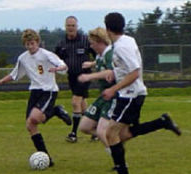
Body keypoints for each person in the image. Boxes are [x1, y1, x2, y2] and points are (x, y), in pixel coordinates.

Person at [99, 12, 181, 174]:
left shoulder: (121, 46)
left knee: (110, 133)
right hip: (132, 93)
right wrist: (114, 74)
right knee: (124, 134)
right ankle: (162, 122)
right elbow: (128, 68)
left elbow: (135, 72)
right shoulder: (128, 40)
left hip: (130, 95)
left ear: (108, 29)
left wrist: (113, 88)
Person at [78, 27, 181, 157]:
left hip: (118, 95)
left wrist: (89, 77)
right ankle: (161, 122)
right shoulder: (102, 55)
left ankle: (116, 159)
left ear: (100, 41)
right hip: (107, 95)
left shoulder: (113, 52)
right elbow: (104, 63)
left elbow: (117, 72)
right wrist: (92, 64)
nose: (91, 46)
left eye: (92, 43)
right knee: (87, 127)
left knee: (109, 133)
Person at [0, 29, 72, 166]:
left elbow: (63, 65)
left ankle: (56, 110)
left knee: (34, 117)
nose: (30, 46)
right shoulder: (23, 58)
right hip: (35, 92)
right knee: (30, 125)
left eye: (32, 43)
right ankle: (46, 158)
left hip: (48, 91)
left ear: (37, 42)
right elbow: (15, 74)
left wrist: (57, 69)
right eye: (27, 44)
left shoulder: (46, 55)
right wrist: (0, 81)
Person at [54, 16, 96, 143]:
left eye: (73, 25)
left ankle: (73, 133)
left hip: (84, 76)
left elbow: (100, 56)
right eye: (68, 26)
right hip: (71, 77)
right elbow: (54, 59)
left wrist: (91, 64)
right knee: (82, 104)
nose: (71, 28)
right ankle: (95, 131)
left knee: (75, 102)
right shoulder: (61, 44)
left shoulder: (85, 41)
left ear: (77, 27)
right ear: (65, 27)